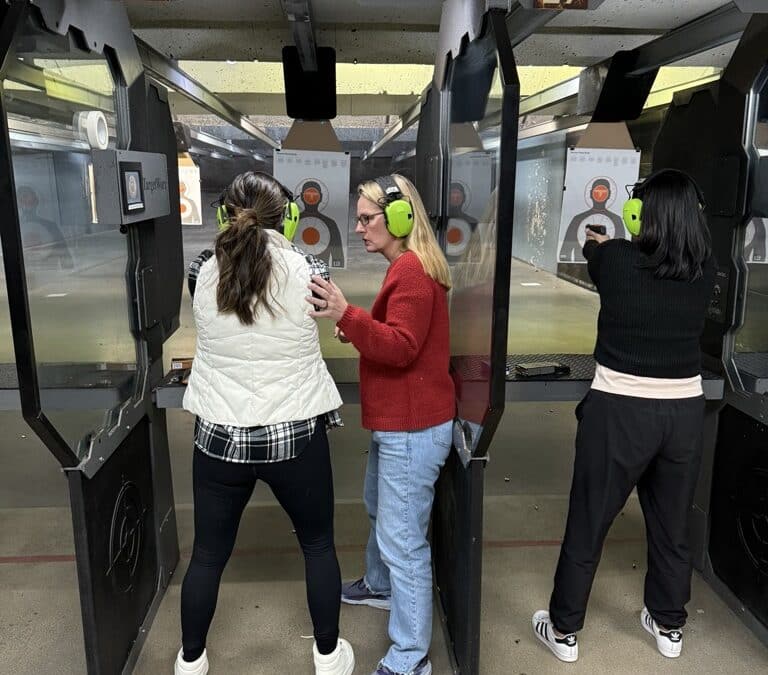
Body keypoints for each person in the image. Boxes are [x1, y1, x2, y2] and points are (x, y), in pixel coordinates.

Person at [533, 169, 716, 663]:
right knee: (671, 525)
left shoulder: (614, 260)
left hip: (619, 412)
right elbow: (666, 264)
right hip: (682, 414)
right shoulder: (706, 271)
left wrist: (602, 240)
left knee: (589, 522)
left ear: (642, 216)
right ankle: (669, 626)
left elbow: (597, 253)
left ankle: (565, 631)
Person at [175, 171, 354, 675]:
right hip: (294, 435)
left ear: (222, 217)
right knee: (317, 545)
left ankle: (190, 661)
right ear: (289, 218)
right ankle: (327, 657)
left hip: (219, 437)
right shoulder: (310, 265)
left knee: (207, 555)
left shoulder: (199, 269)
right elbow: (322, 313)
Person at [308, 174, 456, 675]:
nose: (359, 226)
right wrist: (358, 324)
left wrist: (346, 313)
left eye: (368, 218)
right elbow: (394, 334)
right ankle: (379, 585)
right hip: (402, 422)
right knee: (379, 508)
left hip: (412, 429)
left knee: (403, 542)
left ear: (398, 219)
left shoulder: (411, 272)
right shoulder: (406, 267)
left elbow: (402, 346)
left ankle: (411, 657)